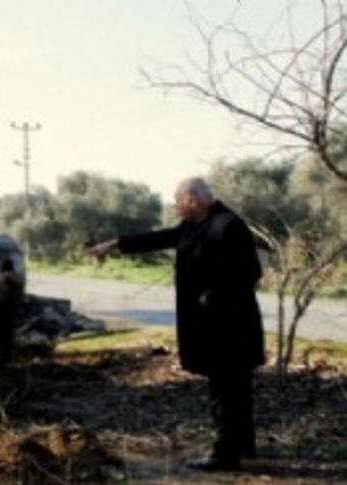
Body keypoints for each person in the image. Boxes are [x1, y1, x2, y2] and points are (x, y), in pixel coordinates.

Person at [90, 176, 265, 471]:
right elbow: (159, 238)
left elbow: (250, 272)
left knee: (226, 389)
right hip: (215, 323)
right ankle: (243, 447)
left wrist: (211, 298)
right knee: (233, 386)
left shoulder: (227, 225)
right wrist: (114, 245)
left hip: (228, 326)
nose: (176, 207)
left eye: (178, 201)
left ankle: (225, 455)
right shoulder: (195, 224)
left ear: (192, 200)